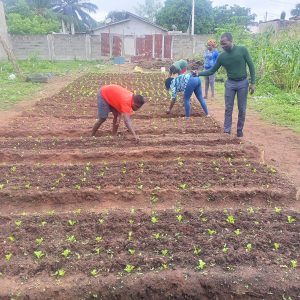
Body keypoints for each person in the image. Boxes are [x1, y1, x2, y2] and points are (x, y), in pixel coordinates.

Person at [198, 32, 255, 138]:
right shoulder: (222, 57)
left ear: (231, 40)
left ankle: (239, 130)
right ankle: (227, 130)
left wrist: (253, 83)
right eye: (221, 44)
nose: (223, 46)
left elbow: (251, 65)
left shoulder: (242, 50)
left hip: (243, 83)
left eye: (224, 43)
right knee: (228, 108)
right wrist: (198, 74)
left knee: (242, 108)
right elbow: (212, 70)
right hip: (230, 83)